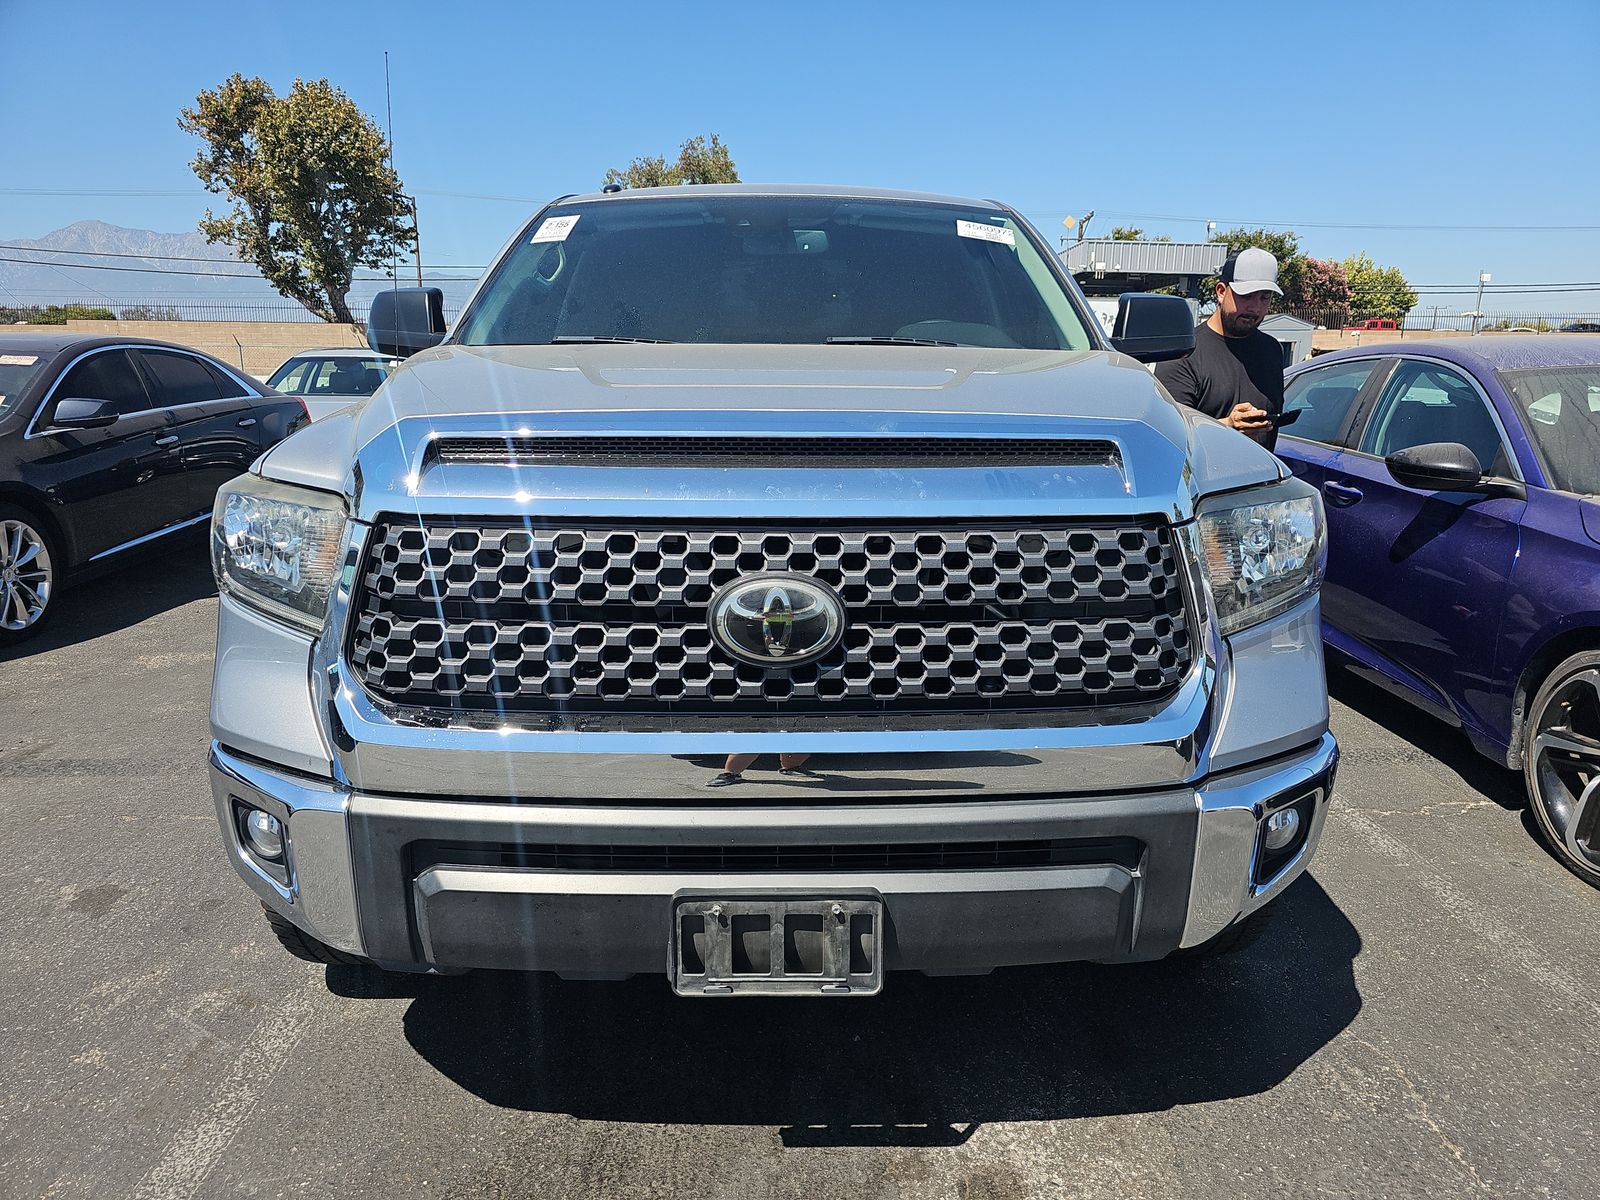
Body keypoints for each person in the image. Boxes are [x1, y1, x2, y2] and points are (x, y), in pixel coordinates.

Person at [1155, 247, 1286, 450]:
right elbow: (1169, 433)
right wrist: (1228, 425)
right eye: (1246, 296)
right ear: (1221, 292)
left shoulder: (1271, 350)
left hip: (1261, 478)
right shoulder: (1182, 352)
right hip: (1203, 480)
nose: (1255, 308)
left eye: (1264, 297)